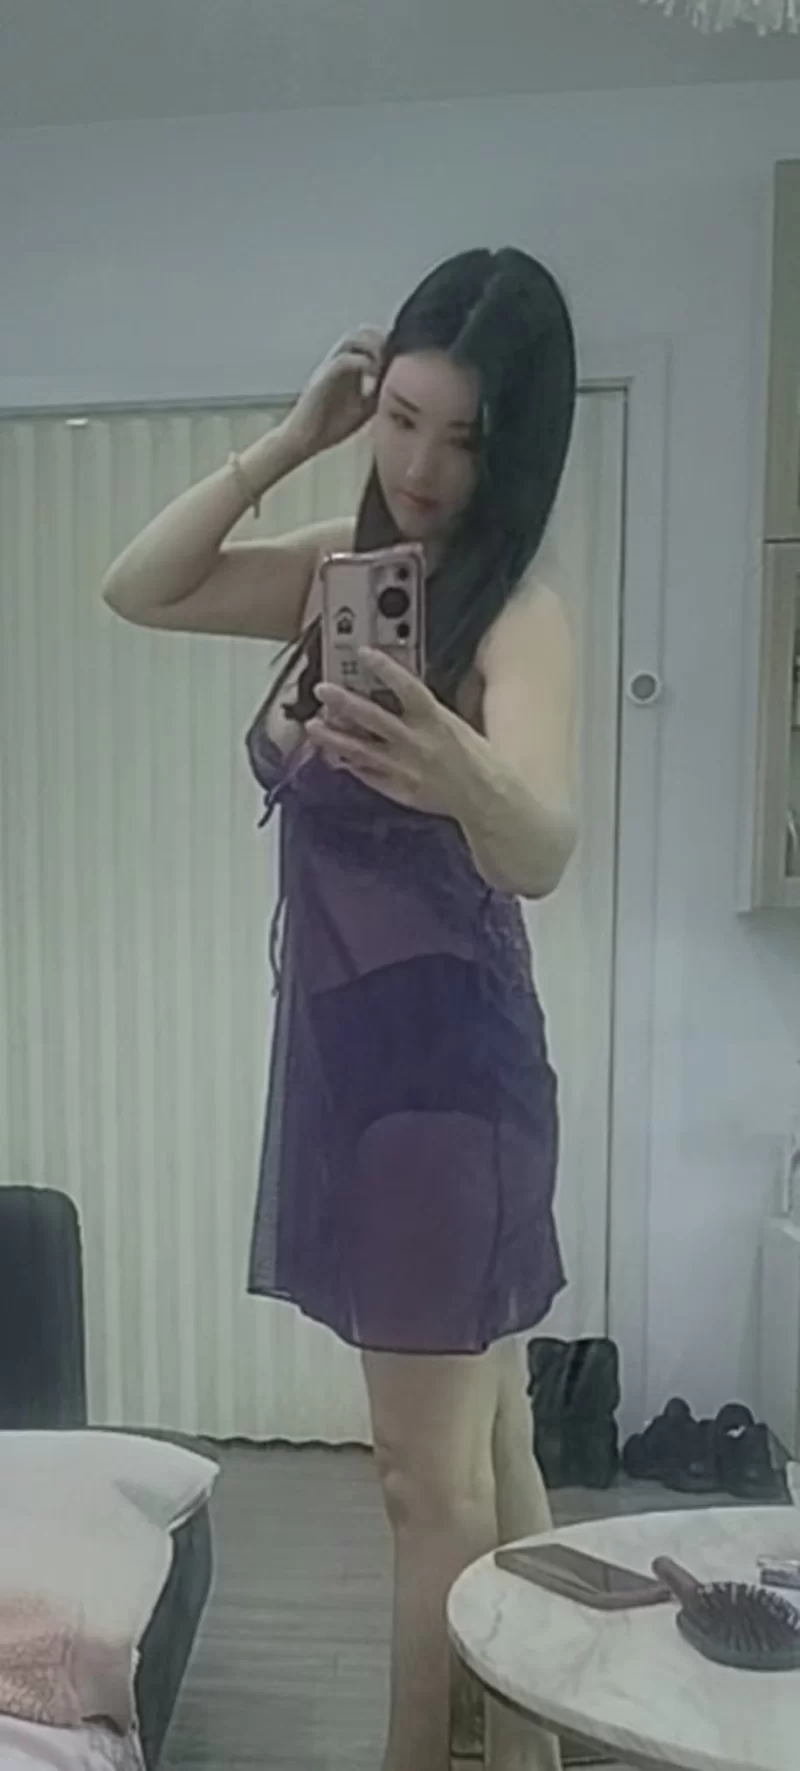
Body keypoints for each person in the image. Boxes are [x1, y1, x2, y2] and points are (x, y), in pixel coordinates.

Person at [102, 247, 578, 1771]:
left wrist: (452, 763)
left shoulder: (517, 617)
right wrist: (293, 438)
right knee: (488, 1445)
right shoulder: (339, 576)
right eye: (403, 419)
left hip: (446, 1086)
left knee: (424, 1490)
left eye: (466, 437)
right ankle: (537, 1748)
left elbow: (542, 848)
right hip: (348, 1069)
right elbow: (140, 586)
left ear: (519, 447)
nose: (423, 468)